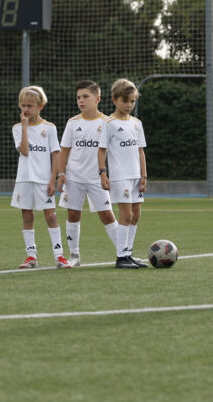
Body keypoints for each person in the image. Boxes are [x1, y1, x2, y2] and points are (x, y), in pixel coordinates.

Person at [56, 80, 119, 267]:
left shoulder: (107, 123)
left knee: (107, 215)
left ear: (97, 98)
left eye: (85, 96)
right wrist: (61, 174)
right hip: (74, 178)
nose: (81, 101)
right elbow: (65, 150)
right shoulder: (73, 122)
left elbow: (112, 152)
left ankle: (123, 252)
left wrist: (107, 175)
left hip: (96, 179)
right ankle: (74, 256)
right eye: (78, 97)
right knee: (73, 215)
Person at [13, 86, 71, 269]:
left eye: (30, 106)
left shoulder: (49, 128)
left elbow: (56, 154)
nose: (25, 110)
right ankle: (31, 256)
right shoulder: (17, 128)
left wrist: (52, 180)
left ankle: (59, 256)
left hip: (43, 180)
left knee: (51, 216)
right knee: (27, 216)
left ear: (40, 106)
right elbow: (24, 150)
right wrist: (24, 126)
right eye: (22, 105)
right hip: (24, 179)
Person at [98, 78, 149, 269]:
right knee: (125, 214)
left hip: (136, 176)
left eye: (132, 101)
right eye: (125, 101)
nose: (129, 105)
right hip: (120, 176)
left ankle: (128, 253)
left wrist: (144, 176)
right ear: (114, 100)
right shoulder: (108, 123)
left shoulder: (136, 123)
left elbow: (140, 151)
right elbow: (101, 150)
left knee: (136, 215)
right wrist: (103, 173)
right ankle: (121, 257)